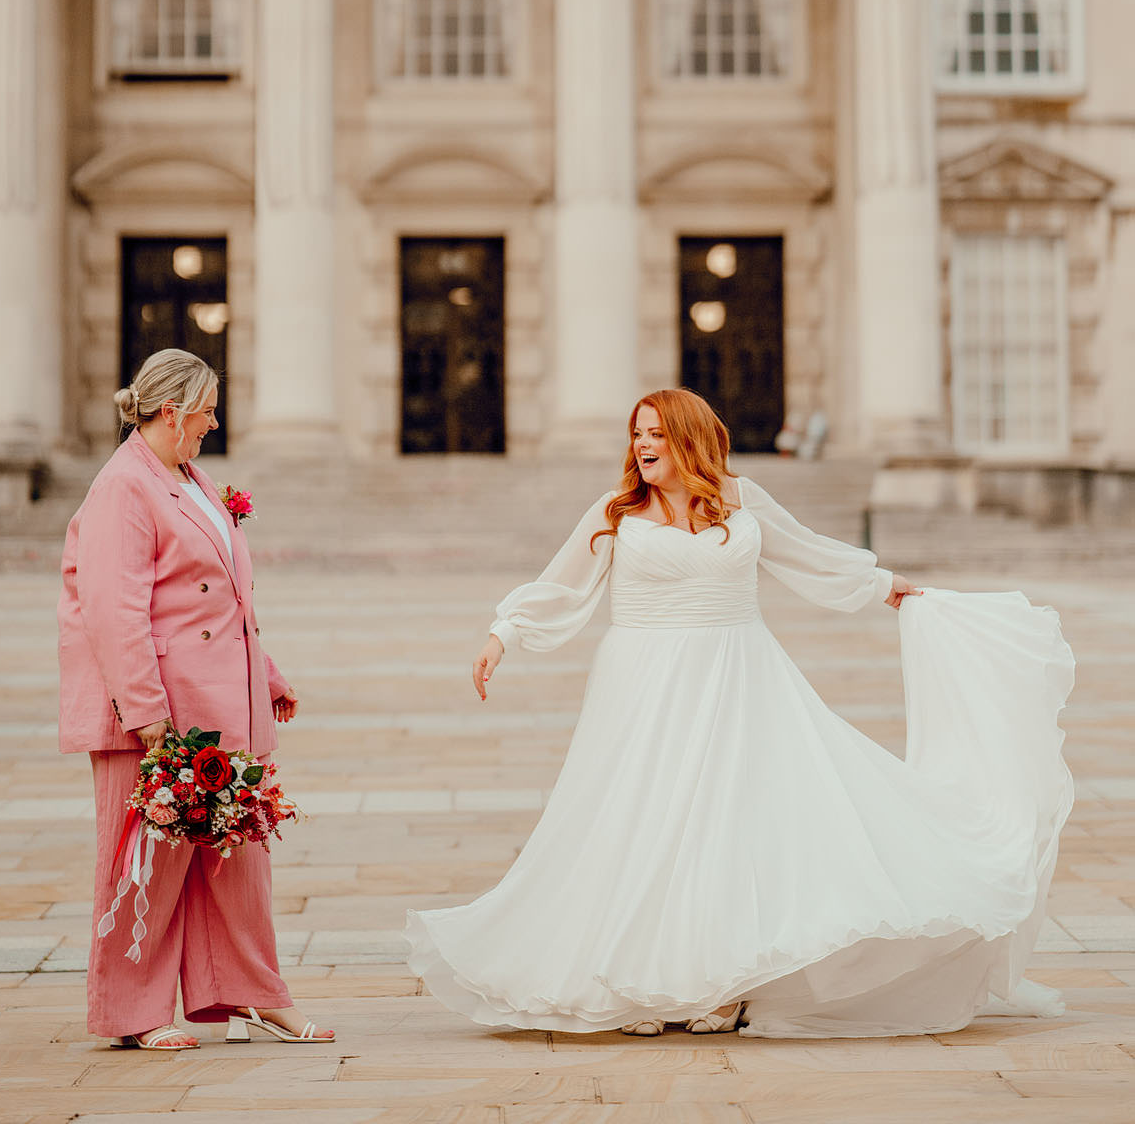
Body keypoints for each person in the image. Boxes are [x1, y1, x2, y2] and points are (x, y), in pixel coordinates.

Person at [406, 388, 1074, 1039]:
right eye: (637, 435)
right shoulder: (615, 510)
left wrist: (888, 588)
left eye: (656, 434)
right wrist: (504, 635)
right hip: (642, 683)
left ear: (688, 439)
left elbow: (806, 551)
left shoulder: (741, 499)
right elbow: (561, 585)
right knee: (645, 819)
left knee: (728, 824)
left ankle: (717, 985)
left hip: (740, 673)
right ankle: (634, 982)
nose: (643, 445)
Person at [58, 348, 334, 1049]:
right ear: (172, 411)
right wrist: (148, 719)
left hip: (220, 704)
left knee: (239, 860)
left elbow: (223, 596)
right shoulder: (123, 487)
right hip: (160, 713)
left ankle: (252, 992)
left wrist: (265, 673)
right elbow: (114, 611)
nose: (214, 423)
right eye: (207, 411)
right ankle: (134, 1012)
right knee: (144, 863)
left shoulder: (189, 476)